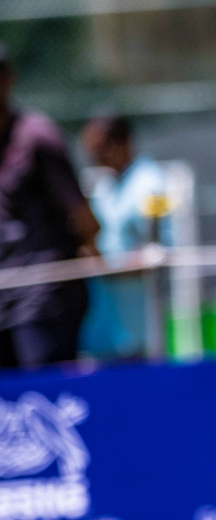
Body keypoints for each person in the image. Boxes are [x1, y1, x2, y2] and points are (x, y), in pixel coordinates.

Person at [0, 43, 99, 369]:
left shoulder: (36, 136)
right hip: (4, 295)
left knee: (43, 396)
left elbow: (84, 219)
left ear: (8, 79)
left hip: (42, 297)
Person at [78, 114, 170, 361]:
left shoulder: (152, 183)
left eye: (101, 148)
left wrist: (110, 268)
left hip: (141, 326)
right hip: (106, 328)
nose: (96, 157)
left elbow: (161, 252)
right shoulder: (103, 185)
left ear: (125, 142)